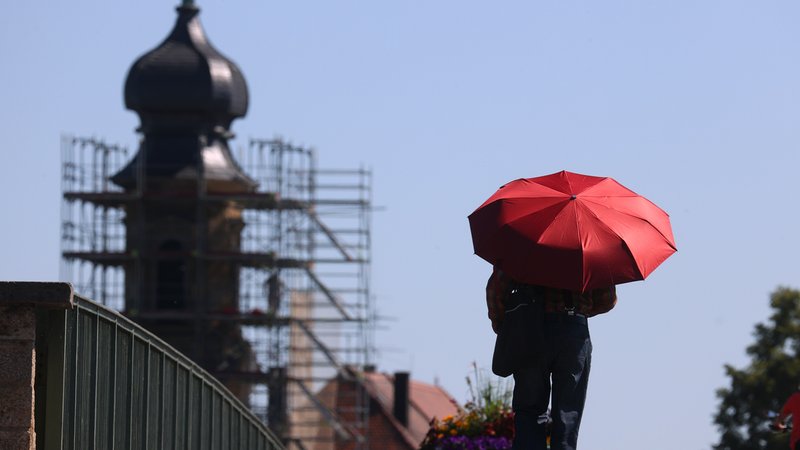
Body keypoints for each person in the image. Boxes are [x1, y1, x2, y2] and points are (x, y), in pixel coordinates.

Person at [487, 267, 616, 450]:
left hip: (531, 330)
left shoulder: (526, 243)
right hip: (574, 335)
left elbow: (495, 290)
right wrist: (578, 309)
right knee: (568, 413)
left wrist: (505, 326)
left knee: (529, 411)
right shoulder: (588, 248)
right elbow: (607, 300)